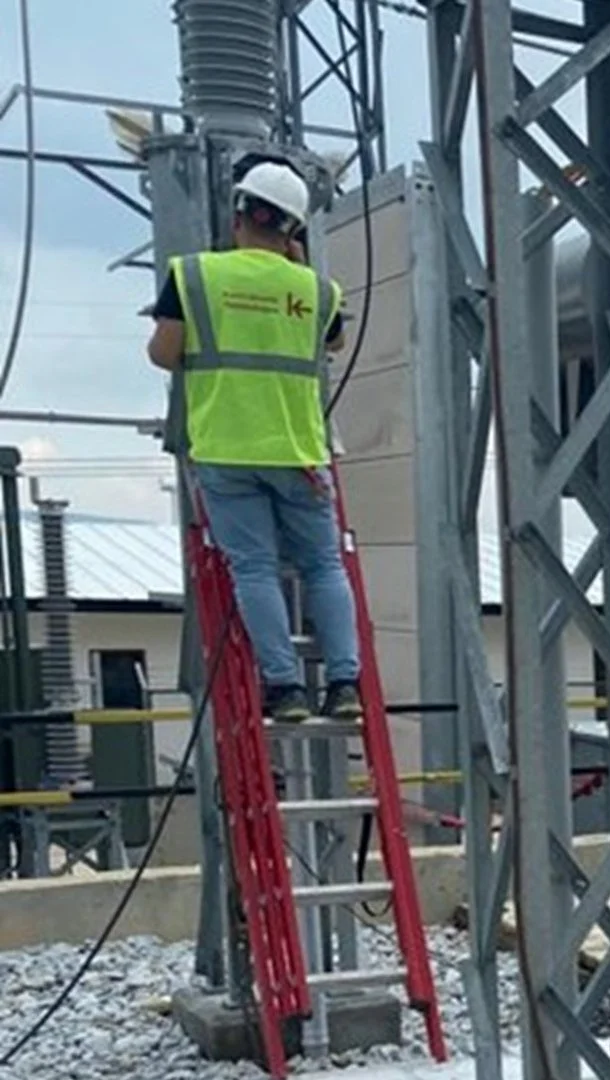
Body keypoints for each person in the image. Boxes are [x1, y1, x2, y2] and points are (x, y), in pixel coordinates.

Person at [146, 157, 358, 724]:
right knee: (323, 565)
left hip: (226, 449)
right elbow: (333, 345)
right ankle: (345, 684)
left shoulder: (194, 275)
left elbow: (163, 353)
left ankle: (284, 688)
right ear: (293, 230)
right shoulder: (317, 289)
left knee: (254, 569)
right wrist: (298, 273)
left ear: (238, 212)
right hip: (300, 450)